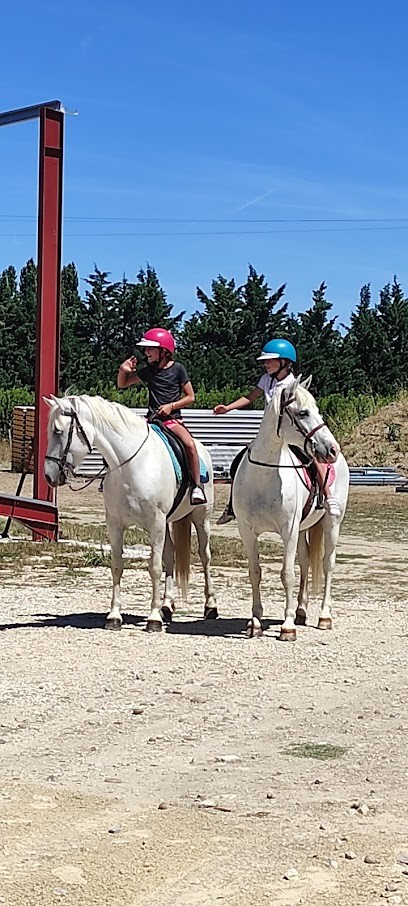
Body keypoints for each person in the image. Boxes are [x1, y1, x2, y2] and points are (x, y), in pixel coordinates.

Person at [213, 338, 342, 524]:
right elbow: (250, 397)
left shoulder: (294, 385)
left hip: (290, 434)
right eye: (265, 360)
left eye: (269, 360)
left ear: (284, 362)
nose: (265, 364)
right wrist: (228, 408)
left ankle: (327, 496)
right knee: (238, 462)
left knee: (313, 458)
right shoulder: (266, 380)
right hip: (269, 434)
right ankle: (232, 506)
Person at [117, 327, 206, 505]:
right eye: (146, 349)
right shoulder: (148, 371)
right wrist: (123, 370)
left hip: (172, 421)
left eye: (150, 348)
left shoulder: (178, 369)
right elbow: (123, 384)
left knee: (189, 445)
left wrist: (171, 406)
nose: (146, 352)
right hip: (151, 420)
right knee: (121, 439)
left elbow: (191, 397)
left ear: (164, 351)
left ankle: (196, 486)